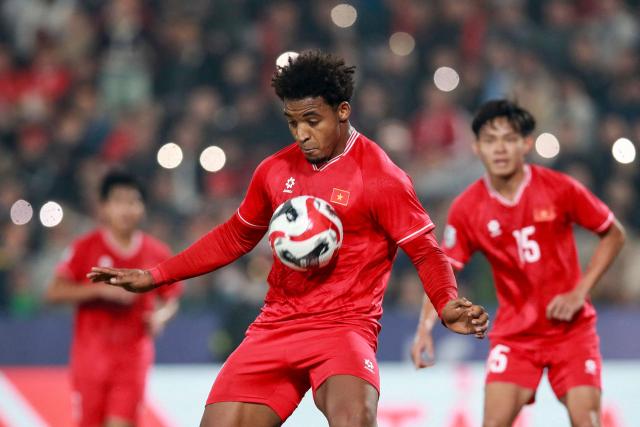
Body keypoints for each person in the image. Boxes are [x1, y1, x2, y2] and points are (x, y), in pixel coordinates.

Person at [88, 50, 489, 427]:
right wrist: (157, 275)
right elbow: (234, 237)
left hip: (343, 327)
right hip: (276, 325)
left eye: (313, 120)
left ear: (342, 111)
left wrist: (446, 302)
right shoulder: (274, 171)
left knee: (356, 420)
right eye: (292, 121)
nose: (302, 133)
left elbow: (423, 250)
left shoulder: (380, 176)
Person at [411, 99, 626, 427]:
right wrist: (424, 329)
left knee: (588, 422)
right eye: (490, 140)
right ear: (476, 147)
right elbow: (443, 270)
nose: (499, 149)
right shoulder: (468, 208)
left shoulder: (559, 189)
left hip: (571, 332)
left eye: (509, 139)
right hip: (516, 336)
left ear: (525, 144)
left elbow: (614, 234)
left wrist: (579, 292)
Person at [46, 171, 182, 427]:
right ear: (104, 207)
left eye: (133, 201)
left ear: (142, 207)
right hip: (90, 361)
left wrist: (159, 317)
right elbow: (53, 292)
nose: (126, 209)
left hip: (132, 359)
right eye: (119, 201)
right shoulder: (84, 248)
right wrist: (98, 291)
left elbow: (171, 298)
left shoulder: (157, 252)